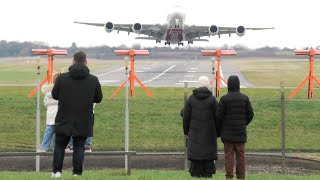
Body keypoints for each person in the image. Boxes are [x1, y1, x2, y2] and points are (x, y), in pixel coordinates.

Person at [51, 51, 103, 178]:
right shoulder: (93, 80)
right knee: (79, 147)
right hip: (84, 118)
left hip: (64, 117)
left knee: (59, 145)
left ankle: (57, 172)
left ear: (73, 61)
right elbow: (98, 98)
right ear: (86, 62)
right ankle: (77, 173)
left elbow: (54, 95)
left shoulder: (62, 78)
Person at [216, 75, 254, 180]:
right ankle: (241, 176)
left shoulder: (224, 99)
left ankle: (229, 176)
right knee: (241, 156)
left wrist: (223, 126)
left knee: (229, 156)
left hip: (227, 134)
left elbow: (218, 116)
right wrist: (243, 123)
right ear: (238, 84)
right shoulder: (244, 98)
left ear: (228, 85)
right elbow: (250, 114)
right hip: (240, 133)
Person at [183, 76, 219, 178]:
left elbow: (186, 117)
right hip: (209, 135)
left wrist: (187, 132)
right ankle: (207, 174)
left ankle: (195, 174)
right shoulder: (212, 99)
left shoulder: (191, 100)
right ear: (208, 85)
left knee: (196, 159)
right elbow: (218, 116)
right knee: (208, 160)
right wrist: (217, 132)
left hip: (194, 135)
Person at [37, 73, 59, 152]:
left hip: (50, 112)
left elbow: (45, 103)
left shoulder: (47, 92)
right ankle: (55, 148)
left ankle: (43, 147)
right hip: (59, 113)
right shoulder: (62, 91)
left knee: (49, 131)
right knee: (57, 133)